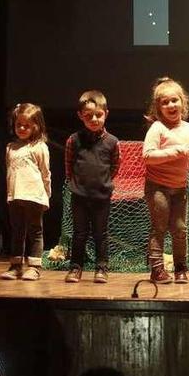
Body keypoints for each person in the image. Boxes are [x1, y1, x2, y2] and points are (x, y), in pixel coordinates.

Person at [142, 77, 189, 284]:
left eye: (175, 100)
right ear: (158, 108)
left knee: (180, 229)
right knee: (159, 228)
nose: (171, 105)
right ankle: (157, 270)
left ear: (183, 102)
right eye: (165, 102)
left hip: (180, 188)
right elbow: (148, 156)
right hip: (158, 188)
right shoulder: (157, 128)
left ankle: (181, 268)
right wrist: (174, 152)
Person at [65, 90, 120, 283]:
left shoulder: (112, 142)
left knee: (100, 234)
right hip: (79, 195)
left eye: (98, 115)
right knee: (79, 233)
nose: (94, 119)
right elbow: (69, 166)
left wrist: (102, 182)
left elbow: (114, 166)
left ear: (106, 113)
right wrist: (78, 184)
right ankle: (75, 268)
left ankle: (101, 268)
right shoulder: (74, 140)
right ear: (80, 116)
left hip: (102, 196)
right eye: (88, 116)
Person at [3, 103, 51, 280]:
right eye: (18, 125)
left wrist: (46, 194)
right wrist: (10, 195)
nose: (22, 128)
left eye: (27, 125)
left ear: (36, 126)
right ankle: (16, 265)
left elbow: (46, 173)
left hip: (34, 197)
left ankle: (35, 266)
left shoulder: (39, 147)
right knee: (17, 231)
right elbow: (10, 173)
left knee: (35, 231)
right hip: (15, 196)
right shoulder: (10, 147)